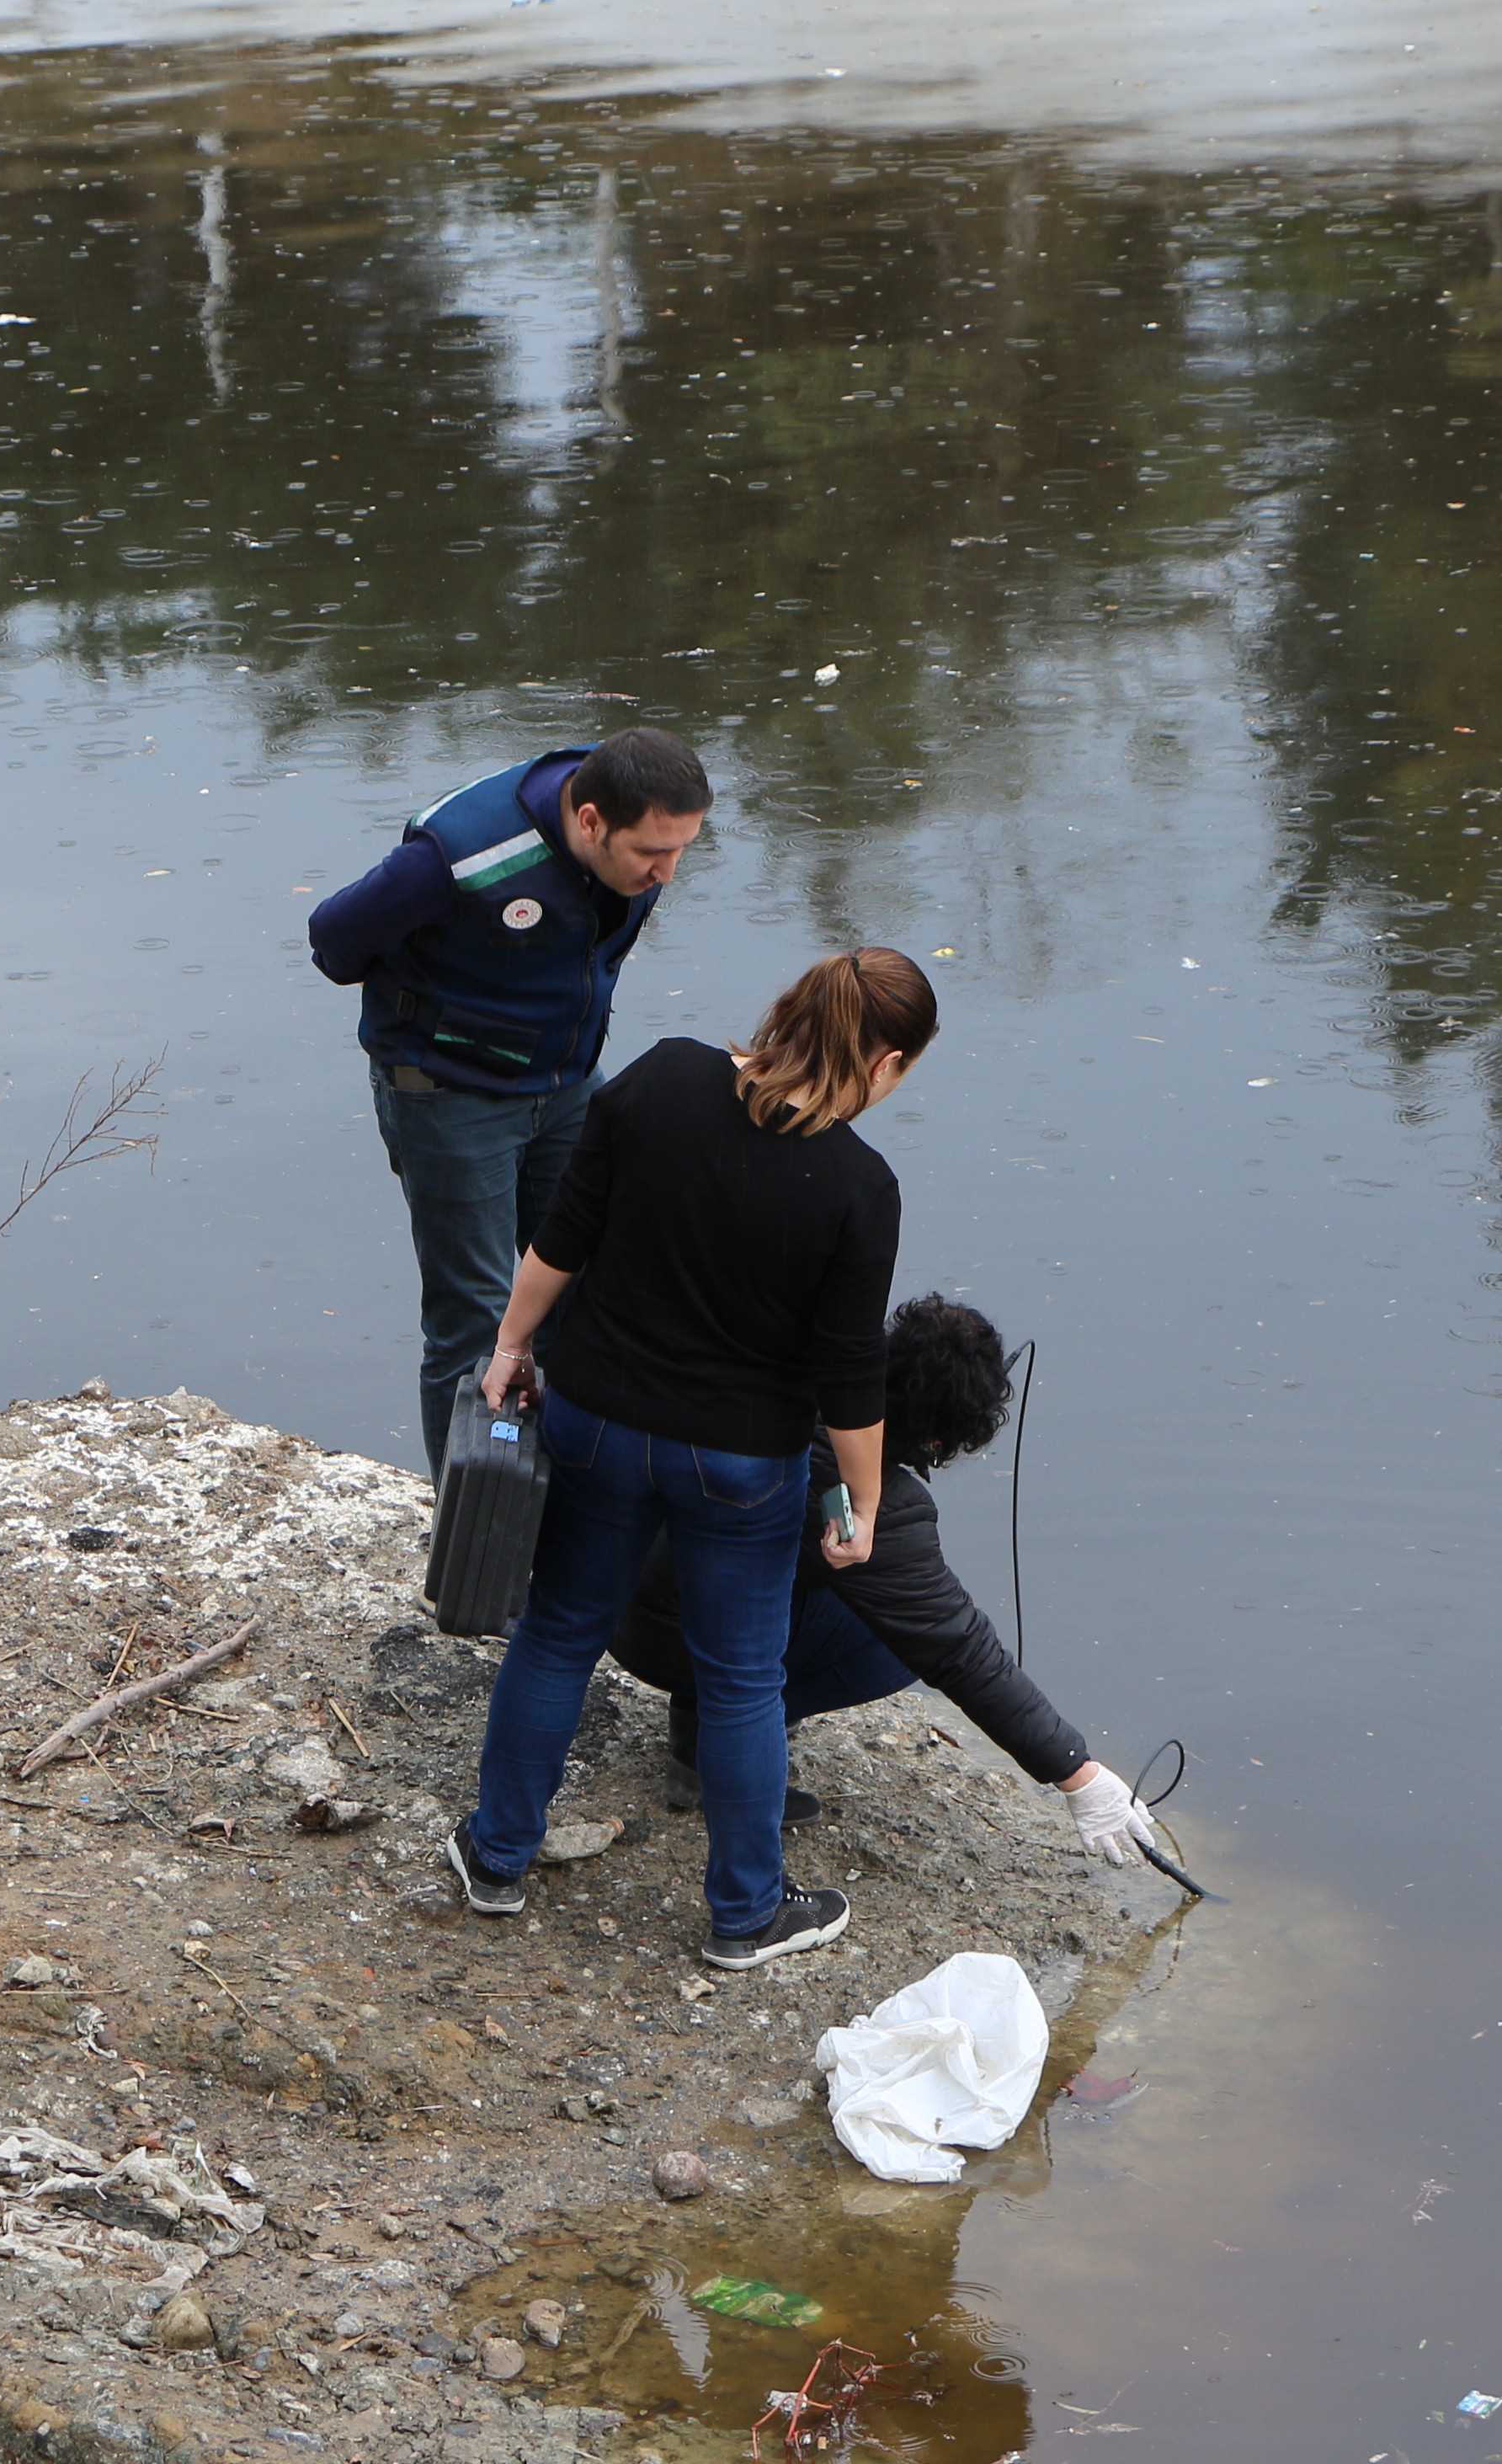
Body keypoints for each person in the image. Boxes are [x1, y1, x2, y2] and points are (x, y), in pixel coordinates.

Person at [449, 947, 938, 1970]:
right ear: (887, 1061)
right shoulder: (859, 1186)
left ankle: (496, 1861)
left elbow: (561, 1236)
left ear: (789, 1007)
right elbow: (850, 1372)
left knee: (559, 1634)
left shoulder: (665, 1077)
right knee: (743, 1680)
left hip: (594, 1422)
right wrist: (865, 1501)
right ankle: (745, 1914)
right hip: (740, 1464)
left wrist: (508, 1347)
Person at [611, 1295, 1170, 1870]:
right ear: (940, 1439)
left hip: (611, 1586)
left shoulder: (789, 1360)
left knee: (800, 1575)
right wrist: (1078, 1774)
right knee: (898, 1641)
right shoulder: (870, 1498)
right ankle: (721, 1746)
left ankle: (702, 1729)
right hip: (668, 1634)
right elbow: (956, 1646)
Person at [308, 728, 712, 1475]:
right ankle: (472, 1533)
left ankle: (562, 1504)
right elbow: (334, 938)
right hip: (452, 1099)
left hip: (564, 1087)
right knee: (479, 1320)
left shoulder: (631, 831)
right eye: (652, 855)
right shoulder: (460, 855)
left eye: (682, 850)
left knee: (585, 1292)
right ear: (590, 822)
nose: (666, 873)